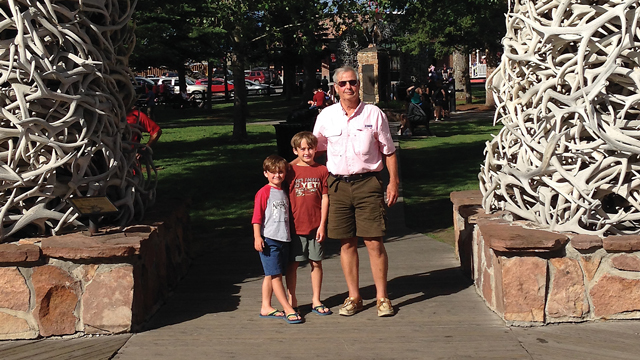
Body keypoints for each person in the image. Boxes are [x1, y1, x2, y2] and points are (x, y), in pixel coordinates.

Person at [312, 66, 399, 317]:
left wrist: (393, 182)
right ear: (335, 87)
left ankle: (382, 297)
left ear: (359, 85)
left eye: (352, 82)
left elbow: (389, 151)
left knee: (374, 241)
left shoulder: (373, 114)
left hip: (368, 184)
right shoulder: (326, 116)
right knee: (346, 243)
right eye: (343, 84)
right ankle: (354, 297)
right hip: (337, 185)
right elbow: (313, 149)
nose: (348, 87)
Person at [252, 155, 303, 324]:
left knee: (270, 274)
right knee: (275, 276)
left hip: (284, 238)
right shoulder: (264, 192)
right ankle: (288, 308)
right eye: (273, 172)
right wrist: (257, 236)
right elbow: (257, 217)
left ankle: (266, 307)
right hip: (269, 239)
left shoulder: (284, 191)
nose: (277, 175)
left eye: (280, 172)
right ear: (265, 173)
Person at [285, 131, 332, 316]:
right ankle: (292, 300)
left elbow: (325, 199)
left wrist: (322, 225)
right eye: (302, 149)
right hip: (295, 226)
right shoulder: (289, 171)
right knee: (293, 264)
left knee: (317, 262)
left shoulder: (322, 170)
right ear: (295, 150)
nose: (307, 152)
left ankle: (316, 300)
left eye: (310, 148)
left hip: (315, 226)